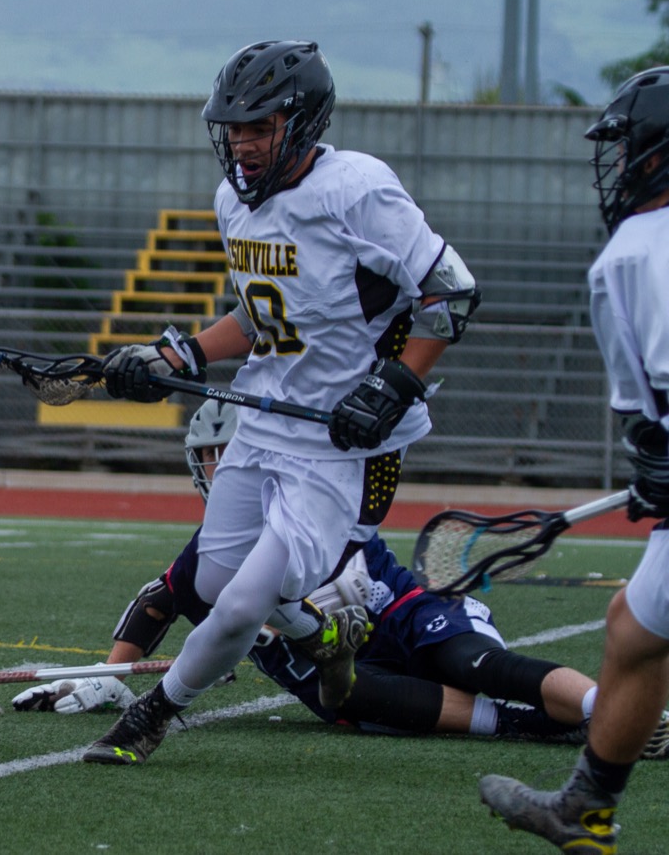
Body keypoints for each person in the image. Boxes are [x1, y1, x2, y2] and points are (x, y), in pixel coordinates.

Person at [86, 40, 481, 765]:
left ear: (300, 123)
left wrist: (394, 384)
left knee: (240, 608)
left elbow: (450, 291)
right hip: (268, 417)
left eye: (258, 126)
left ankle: (150, 719)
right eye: (233, 127)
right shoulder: (232, 201)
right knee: (210, 582)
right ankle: (323, 636)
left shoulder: (356, 188)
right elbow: (266, 318)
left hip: (341, 442)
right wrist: (179, 356)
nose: (241, 143)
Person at [17, 401, 669, 754]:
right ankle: (535, 726)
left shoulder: (324, 498)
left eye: (231, 455)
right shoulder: (208, 552)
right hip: (342, 672)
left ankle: (620, 714)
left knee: (476, 662)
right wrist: (108, 676)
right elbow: (158, 602)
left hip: (407, 616)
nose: (220, 470)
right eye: (210, 458)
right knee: (353, 700)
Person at [479, 67, 669, 852]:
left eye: (627, 147)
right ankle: (585, 806)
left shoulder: (634, 252)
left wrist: (657, 457)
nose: (618, 163)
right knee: (633, 628)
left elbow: (650, 398)